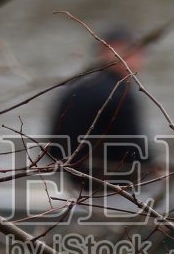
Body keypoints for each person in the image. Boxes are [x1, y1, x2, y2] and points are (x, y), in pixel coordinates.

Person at [44, 26, 150, 186]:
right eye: (136, 53)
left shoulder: (75, 86)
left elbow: (54, 149)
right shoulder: (120, 93)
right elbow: (134, 152)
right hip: (109, 184)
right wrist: (154, 168)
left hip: (72, 179)